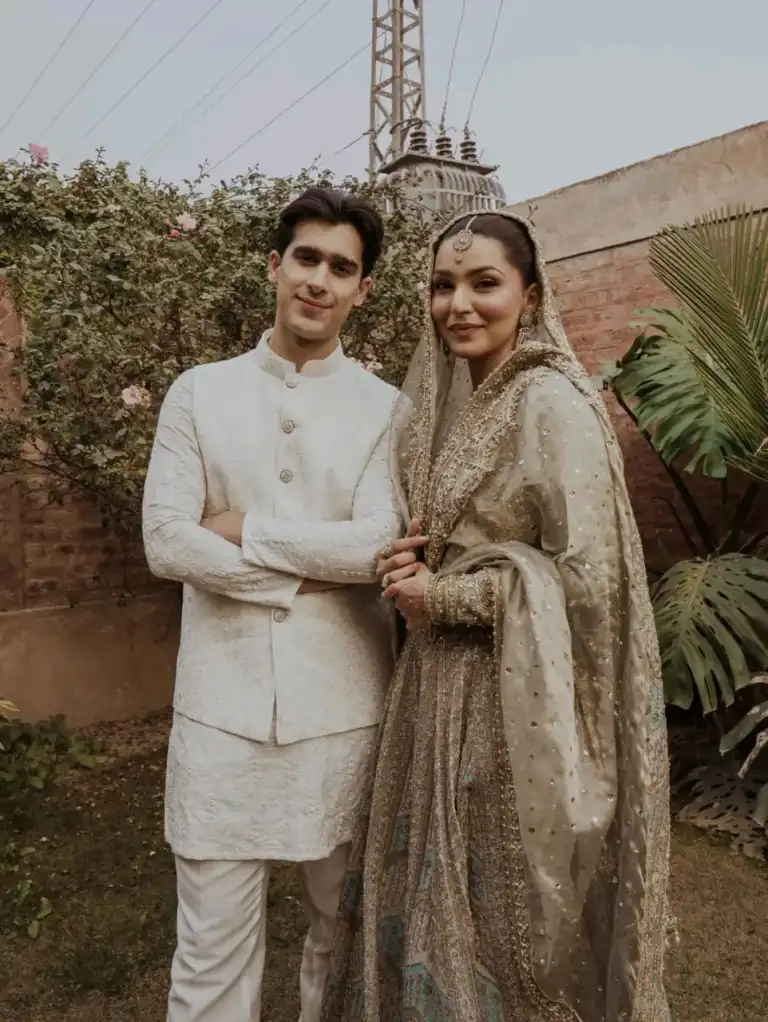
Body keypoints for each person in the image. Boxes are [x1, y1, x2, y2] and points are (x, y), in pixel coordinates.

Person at [321, 211, 672, 1022]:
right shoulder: (449, 404)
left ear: (531, 295)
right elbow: (461, 537)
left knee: (502, 923)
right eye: (443, 285)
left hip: (514, 704)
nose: (460, 305)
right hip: (432, 691)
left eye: (484, 283)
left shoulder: (549, 401)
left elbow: (591, 580)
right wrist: (413, 561)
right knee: (433, 900)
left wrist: (445, 596)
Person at [142, 186, 405, 1022]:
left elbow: (379, 545)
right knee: (210, 955)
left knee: (344, 940)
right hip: (219, 718)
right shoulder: (199, 392)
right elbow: (167, 542)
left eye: (341, 267)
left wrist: (244, 531)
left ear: (362, 288)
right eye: (306, 259)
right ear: (274, 267)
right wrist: (311, 573)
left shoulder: (387, 409)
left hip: (346, 717)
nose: (319, 280)